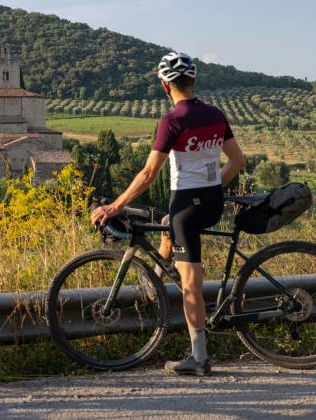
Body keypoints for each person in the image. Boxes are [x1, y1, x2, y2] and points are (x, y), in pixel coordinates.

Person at [90, 51, 246, 376]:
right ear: (193, 81)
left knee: (191, 286)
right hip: (210, 204)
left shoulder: (172, 121)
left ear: (165, 85)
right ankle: (157, 284)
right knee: (165, 226)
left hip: (186, 209)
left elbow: (148, 174)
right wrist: (213, 185)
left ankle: (200, 359)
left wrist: (114, 206)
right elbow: (237, 161)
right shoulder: (215, 113)